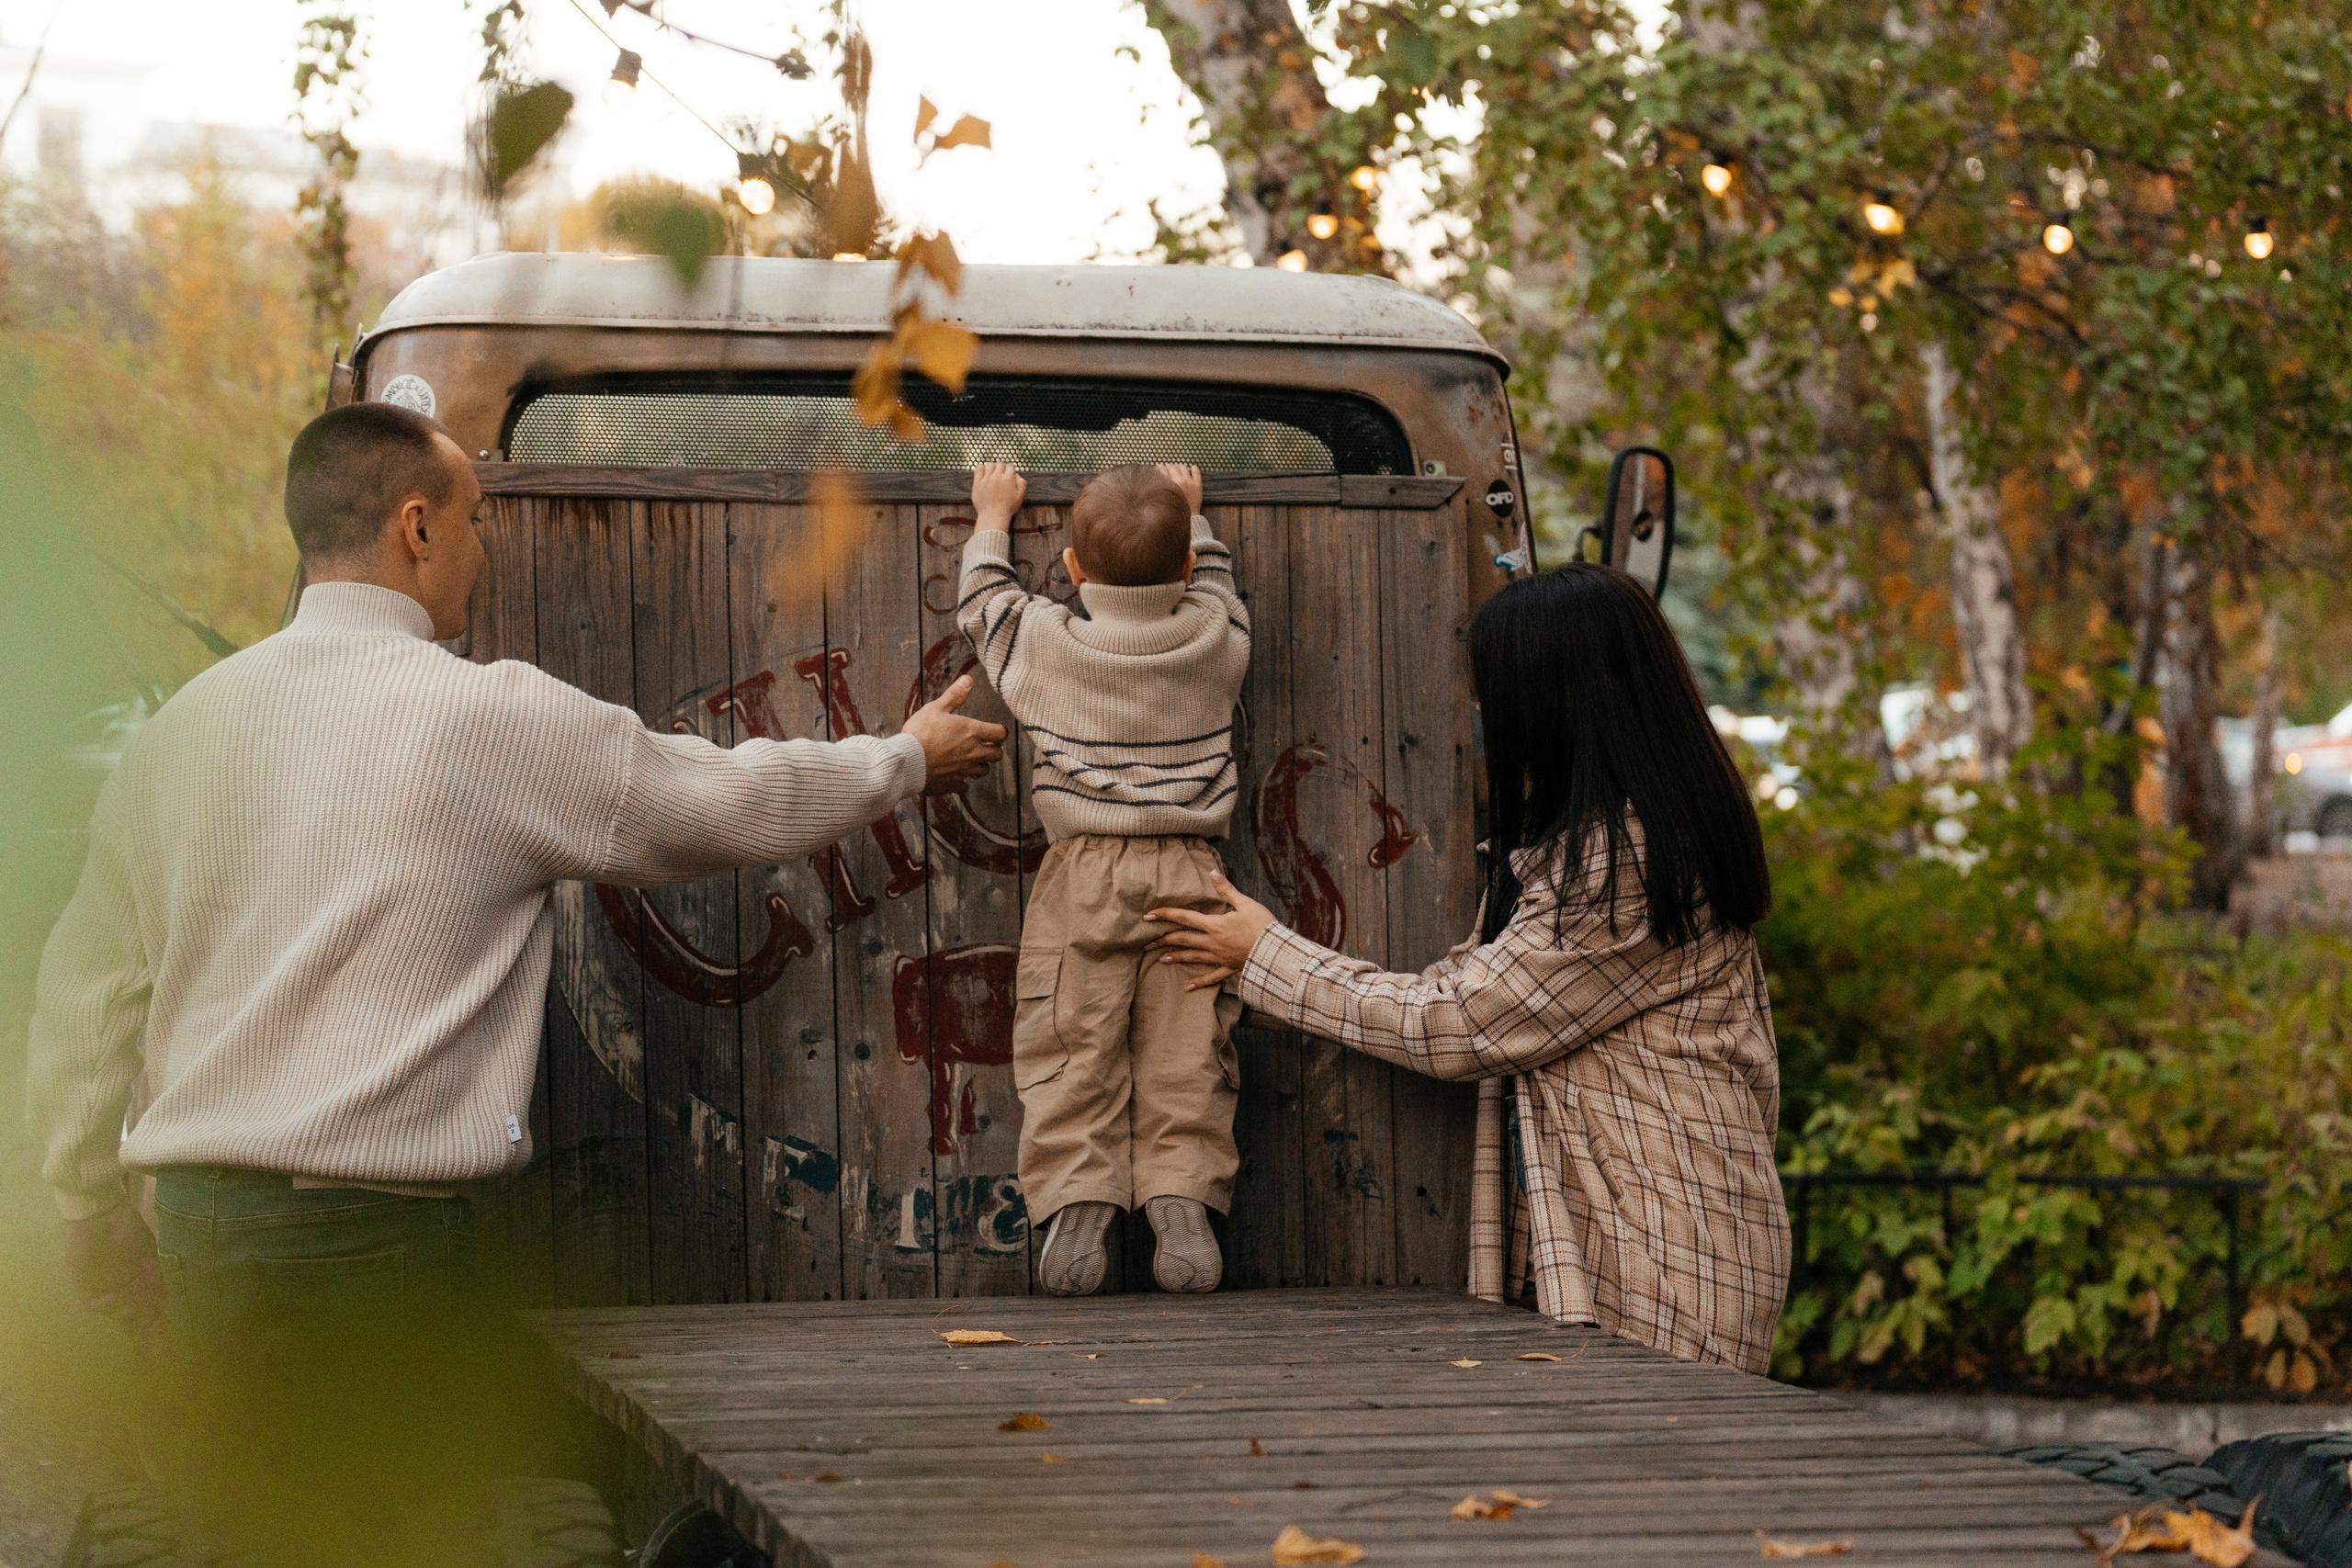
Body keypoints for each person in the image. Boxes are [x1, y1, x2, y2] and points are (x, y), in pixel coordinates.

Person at [28, 400, 1006, 1338]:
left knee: (245, 1512)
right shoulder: (489, 719)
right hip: (376, 1244)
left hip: (197, 1230)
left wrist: (84, 1201)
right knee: (402, 1512)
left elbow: (87, 992)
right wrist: (906, 757)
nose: (484, 552)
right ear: (417, 526)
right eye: (475, 520)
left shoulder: (177, 733)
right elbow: (720, 801)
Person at [1151, 563, 1789, 1372]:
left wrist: (1264, 954)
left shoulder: (1627, 862)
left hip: (1666, 1250)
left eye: (1497, 688)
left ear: (1560, 702)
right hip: (1661, 1235)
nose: (1485, 711)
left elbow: (1458, 1020)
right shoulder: (1626, 837)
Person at [956, 460, 1251, 1296]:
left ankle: (1079, 1199)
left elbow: (985, 604)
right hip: (1192, 870)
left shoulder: (1049, 641)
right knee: (1190, 1047)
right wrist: (1195, 515)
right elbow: (1224, 594)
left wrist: (991, 513)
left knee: (1070, 1039)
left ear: (1075, 572)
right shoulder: (1214, 642)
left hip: (1082, 870)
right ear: (1189, 568)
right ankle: (1181, 1198)